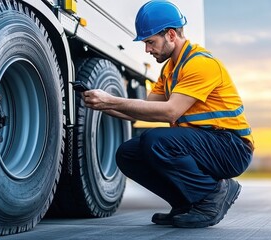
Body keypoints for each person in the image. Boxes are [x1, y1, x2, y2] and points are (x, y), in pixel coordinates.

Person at [82, 0, 254, 228]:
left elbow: (170, 111)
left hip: (231, 147)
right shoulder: (170, 69)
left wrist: (112, 100)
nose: (147, 49)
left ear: (171, 35)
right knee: (128, 153)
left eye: (150, 42)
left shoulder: (200, 64)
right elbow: (144, 108)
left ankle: (214, 194)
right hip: (205, 144)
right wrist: (102, 104)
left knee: (156, 141)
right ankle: (186, 203)